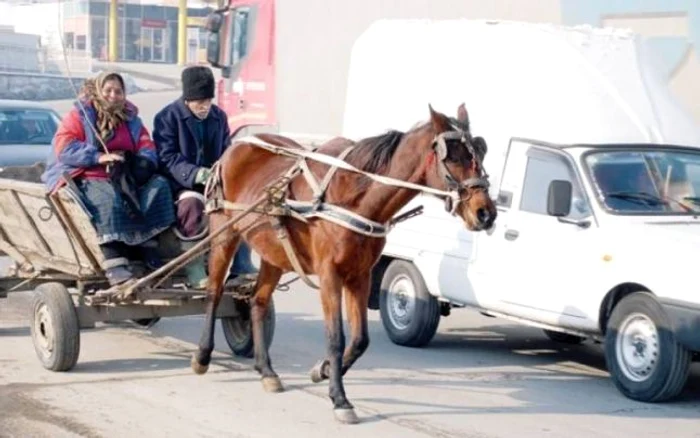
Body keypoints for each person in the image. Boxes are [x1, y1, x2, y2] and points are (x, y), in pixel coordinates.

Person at [42, 71, 176, 286]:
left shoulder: (131, 119)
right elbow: (64, 148)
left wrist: (142, 162)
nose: (114, 95)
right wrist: (99, 157)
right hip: (88, 173)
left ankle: (146, 248)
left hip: (125, 174)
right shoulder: (81, 115)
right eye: (108, 90)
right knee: (108, 198)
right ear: (98, 91)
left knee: (159, 187)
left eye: (119, 91)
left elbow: (146, 144)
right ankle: (114, 261)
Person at [153, 65, 257, 289]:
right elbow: (167, 157)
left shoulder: (218, 117)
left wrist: (225, 172)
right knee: (192, 204)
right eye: (200, 102)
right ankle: (194, 266)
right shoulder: (167, 118)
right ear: (188, 99)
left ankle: (242, 264)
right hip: (180, 183)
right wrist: (196, 174)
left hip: (215, 180)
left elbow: (227, 151)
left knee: (241, 206)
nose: (205, 107)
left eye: (208, 101)